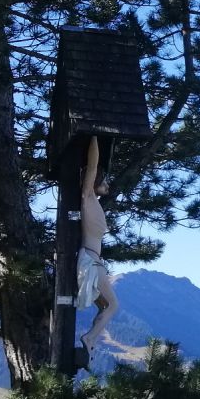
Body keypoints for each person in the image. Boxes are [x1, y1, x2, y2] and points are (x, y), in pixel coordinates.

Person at [75, 137, 119, 369]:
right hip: (90, 261)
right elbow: (91, 167)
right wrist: (94, 139)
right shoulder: (88, 197)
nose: (108, 185)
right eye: (106, 180)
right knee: (113, 305)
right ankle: (90, 338)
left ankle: (91, 342)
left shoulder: (94, 202)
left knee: (105, 305)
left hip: (93, 259)